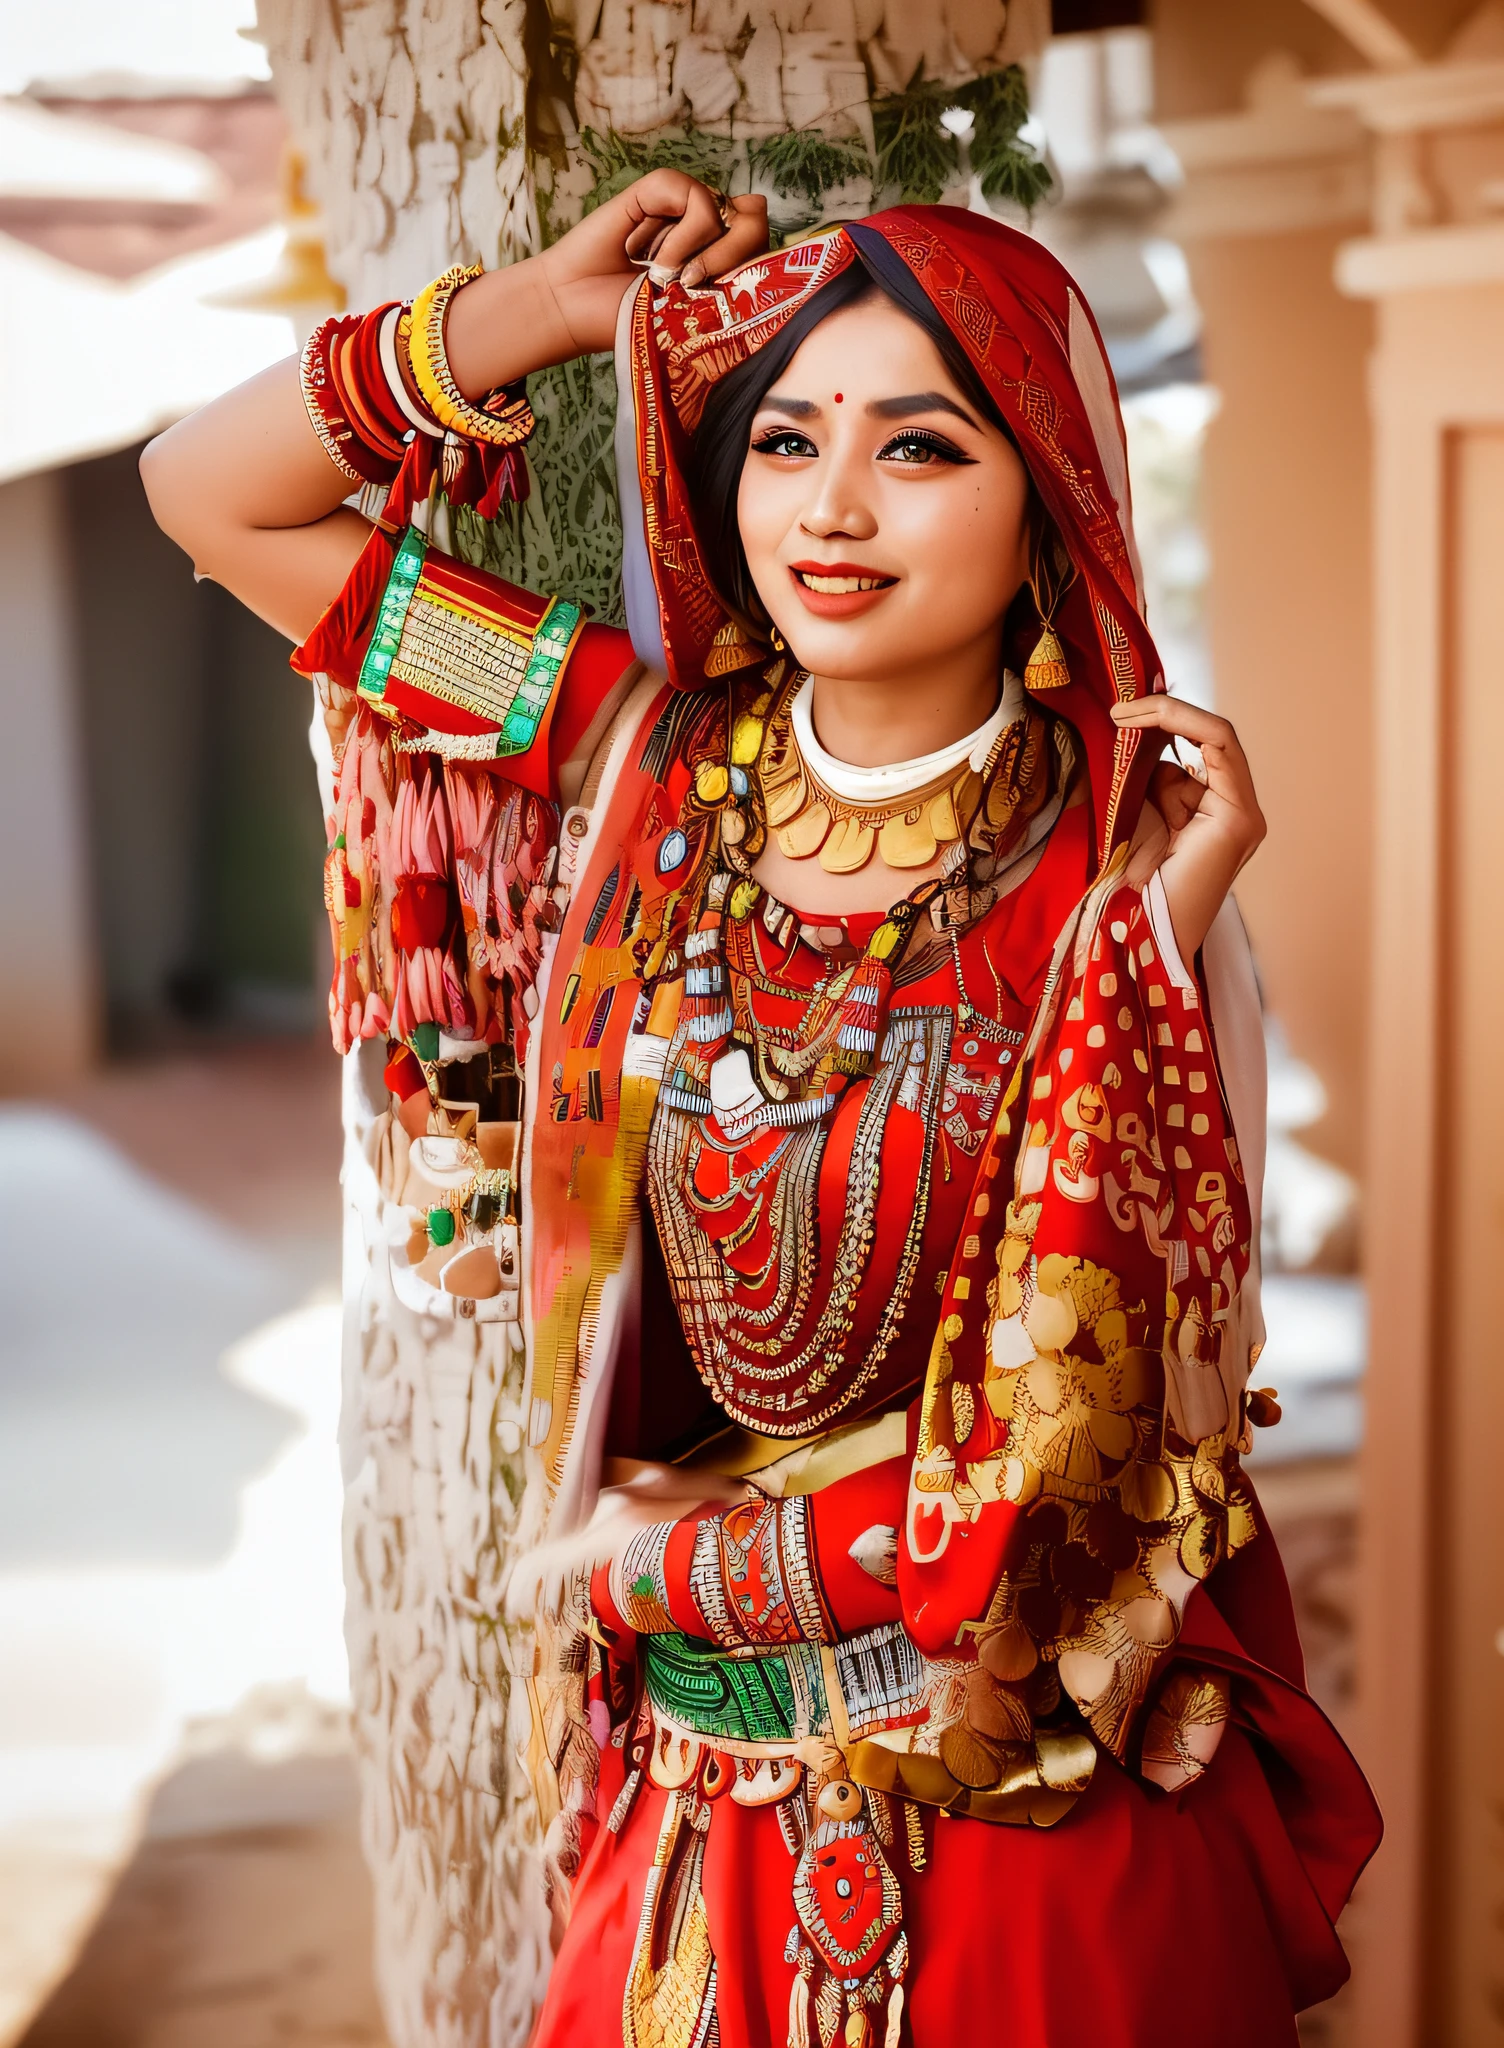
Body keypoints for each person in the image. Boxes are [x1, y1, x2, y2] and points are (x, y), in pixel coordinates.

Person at [142, 171, 1380, 2048]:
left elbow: (1111, 1429)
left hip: (1030, 1805)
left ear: (1046, 490)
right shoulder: (627, 752)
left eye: (923, 446)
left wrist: (1150, 942)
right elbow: (209, 495)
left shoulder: (1119, 869)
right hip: (696, 1809)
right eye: (785, 438)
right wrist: (538, 322)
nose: (835, 507)